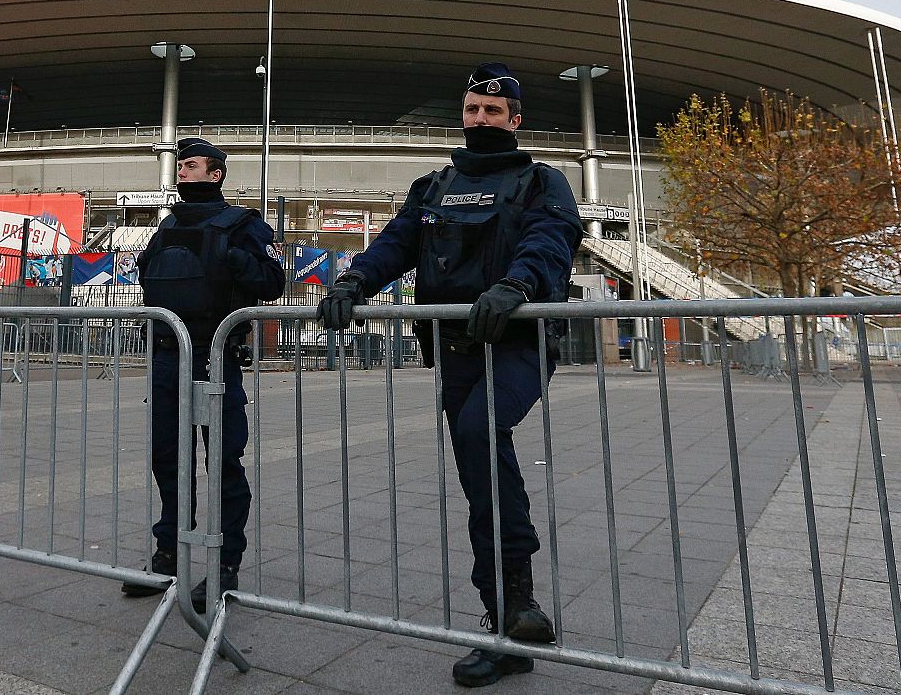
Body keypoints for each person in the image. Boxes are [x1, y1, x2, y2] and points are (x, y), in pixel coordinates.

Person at [318, 62, 582, 687]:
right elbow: (396, 244)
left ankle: (517, 600)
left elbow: (551, 239)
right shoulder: (433, 185)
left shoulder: (543, 181)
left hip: (517, 340)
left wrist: (518, 283)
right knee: (477, 462)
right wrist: (353, 281)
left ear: (516, 121)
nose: (480, 120)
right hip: (457, 346)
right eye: (472, 111)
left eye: (493, 113)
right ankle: (506, 619)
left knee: (479, 431)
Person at [122, 137, 285, 613]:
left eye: (190, 165)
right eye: (181, 165)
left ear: (215, 175)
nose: (181, 172)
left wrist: (235, 259)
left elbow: (273, 283)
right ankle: (169, 554)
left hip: (215, 357)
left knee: (222, 461)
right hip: (169, 356)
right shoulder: (169, 224)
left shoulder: (243, 225)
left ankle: (224, 561)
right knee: (168, 459)